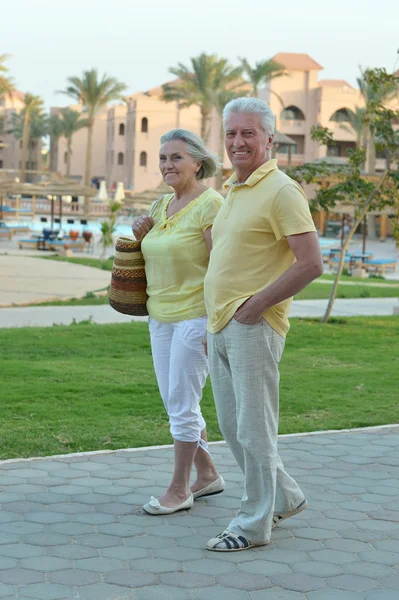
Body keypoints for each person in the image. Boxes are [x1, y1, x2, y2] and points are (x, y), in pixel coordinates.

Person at [203, 98, 323, 551]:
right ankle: (286, 497)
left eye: (248, 133)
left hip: (253, 325)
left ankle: (253, 524)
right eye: (231, 133)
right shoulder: (235, 189)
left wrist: (257, 304)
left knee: (254, 428)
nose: (238, 141)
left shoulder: (281, 190)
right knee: (235, 427)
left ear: (270, 139)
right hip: (221, 324)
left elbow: (311, 263)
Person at [132, 129, 225, 515]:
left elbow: (222, 267)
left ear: (197, 163)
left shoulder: (211, 205)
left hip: (195, 317)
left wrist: (214, 324)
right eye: (164, 158)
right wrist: (141, 235)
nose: (167, 165)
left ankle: (179, 489)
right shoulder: (160, 206)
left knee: (183, 404)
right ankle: (208, 475)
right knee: (175, 401)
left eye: (176, 158)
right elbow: (157, 253)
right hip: (161, 317)